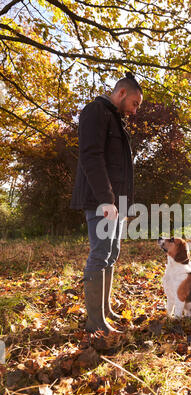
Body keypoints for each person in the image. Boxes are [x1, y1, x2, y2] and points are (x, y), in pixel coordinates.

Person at [70, 72, 143, 337]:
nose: (135, 110)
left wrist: (123, 208)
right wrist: (106, 200)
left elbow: (120, 168)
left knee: (111, 253)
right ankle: (95, 322)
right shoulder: (95, 111)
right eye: (135, 103)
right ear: (122, 93)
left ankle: (104, 311)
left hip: (116, 204)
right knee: (100, 254)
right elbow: (91, 156)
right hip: (101, 201)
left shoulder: (116, 119)